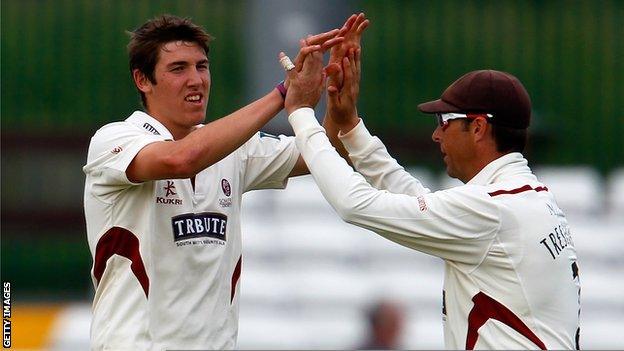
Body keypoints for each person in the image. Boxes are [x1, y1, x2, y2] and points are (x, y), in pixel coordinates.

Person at [283, 31, 581, 348]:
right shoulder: (526, 197)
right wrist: (351, 129)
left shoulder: (494, 209)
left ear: (478, 127)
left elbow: (355, 205)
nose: (436, 136)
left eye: (444, 121)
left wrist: (302, 115)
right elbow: (419, 201)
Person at [82, 14, 349, 350]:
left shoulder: (232, 148)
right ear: (142, 80)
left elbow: (324, 152)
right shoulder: (114, 139)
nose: (196, 80)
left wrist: (341, 103)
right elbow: (182, 159)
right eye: (178, 69)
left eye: (202, 66)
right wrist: (284, 93)